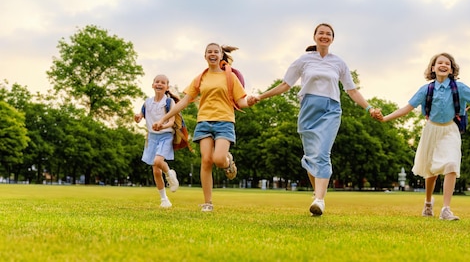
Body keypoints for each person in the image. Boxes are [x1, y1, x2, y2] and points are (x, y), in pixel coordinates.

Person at [248, 23, 381, 216]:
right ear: (315, 37)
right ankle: (317, 195)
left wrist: (369, 108)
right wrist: (260, 97)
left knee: (322, 154)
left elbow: (351, 90)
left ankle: (319, 200)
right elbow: (285, 85)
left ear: (332, 39)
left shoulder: (339, 63)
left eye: (328, 34)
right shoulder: (303, 60)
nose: (324, 36)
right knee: (310, 158)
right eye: (321, 33)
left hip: (331, 110)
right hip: (308, 110)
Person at [378, 52, 470, 220]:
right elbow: (407, 108)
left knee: (451, 164)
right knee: (431, 171)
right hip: (431, 130)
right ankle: (428, 203)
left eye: (447, 63)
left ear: (451, 69)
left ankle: (446, 209)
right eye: (439, 62)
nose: (443, 65)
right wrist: (385, 118)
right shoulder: (426, 89)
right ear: (433, 68)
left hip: (450, 130)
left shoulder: (459, 88)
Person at [153, 43, 251, 212]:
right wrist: (164, 118)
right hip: (204, 122)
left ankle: (228, 161)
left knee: (218, 159)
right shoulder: (200, 78)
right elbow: (184, 101)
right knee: (206, 160)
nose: (212, 54)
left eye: (216, 52)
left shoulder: (230, 77)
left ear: (221, 56)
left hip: (225, 121)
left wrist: (250, 101)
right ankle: (208, 202)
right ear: (205, 56)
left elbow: (241, 101)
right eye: (209, 52)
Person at [134, 74, 180, 209]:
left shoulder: (169, 102)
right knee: (155, 171)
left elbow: (172, 122)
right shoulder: (147, 103)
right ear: (153, 85)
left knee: (158, 161)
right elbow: (140, 116)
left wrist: (162, 125)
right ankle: (164, 199)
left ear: (167, 87)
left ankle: (170, 174)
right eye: (157, 82)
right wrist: (137, 117)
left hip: (165, 135)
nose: (159, 84)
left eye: (163, 82)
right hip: (152, 138)